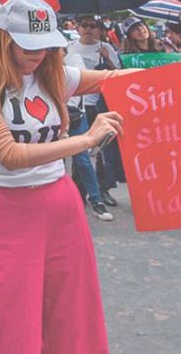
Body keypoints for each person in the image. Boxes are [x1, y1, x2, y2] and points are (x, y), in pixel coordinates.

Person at [0, 0, 133, 352]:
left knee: (72, 309)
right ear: (5, 40)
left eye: (46, 46)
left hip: (60, 205)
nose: (38, 54)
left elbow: (116, 77)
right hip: (3, 208)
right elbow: (9, 155)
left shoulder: (54, 74)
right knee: (8, 317)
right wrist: (84, 140)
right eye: (29, 46)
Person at [66, 15, 121, 220]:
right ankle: (82, 194)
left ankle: (102, 190)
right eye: (85, 25)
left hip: (100, 103)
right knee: (83, 153)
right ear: (78, 28)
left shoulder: (106, 47)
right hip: (78, 107)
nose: (89, 29)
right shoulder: (70, 49)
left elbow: (118, 73)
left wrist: (106, 58)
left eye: (93, 26)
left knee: (100, 151)